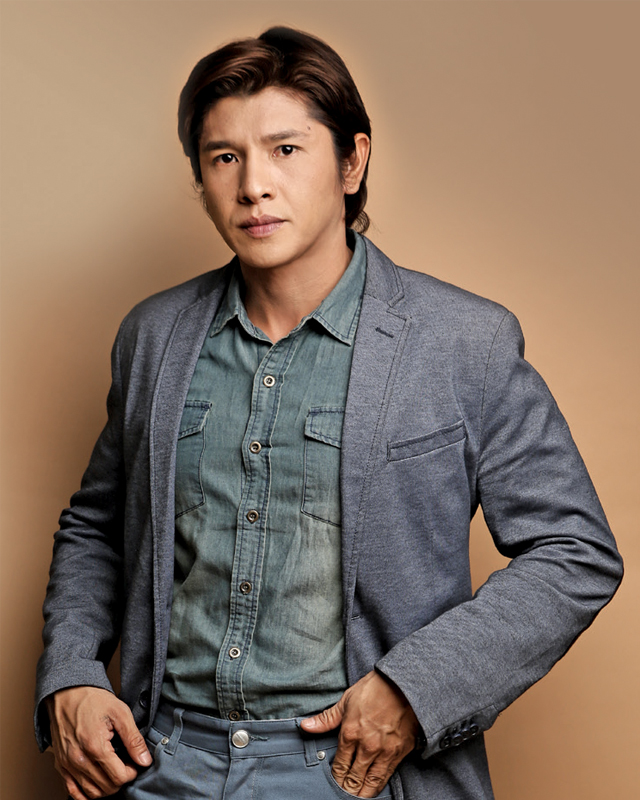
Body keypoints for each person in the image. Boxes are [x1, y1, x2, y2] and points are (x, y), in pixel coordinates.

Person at [35, 26, 622, 800]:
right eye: (224, 157)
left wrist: (416, 690)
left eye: (285, 149)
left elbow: (574, 551)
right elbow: (97, 524)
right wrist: (71, 673)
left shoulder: (462, 342)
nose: (253, 185)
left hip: (358, 772)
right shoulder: (154, 335)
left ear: (352, 162)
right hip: (164, 761)